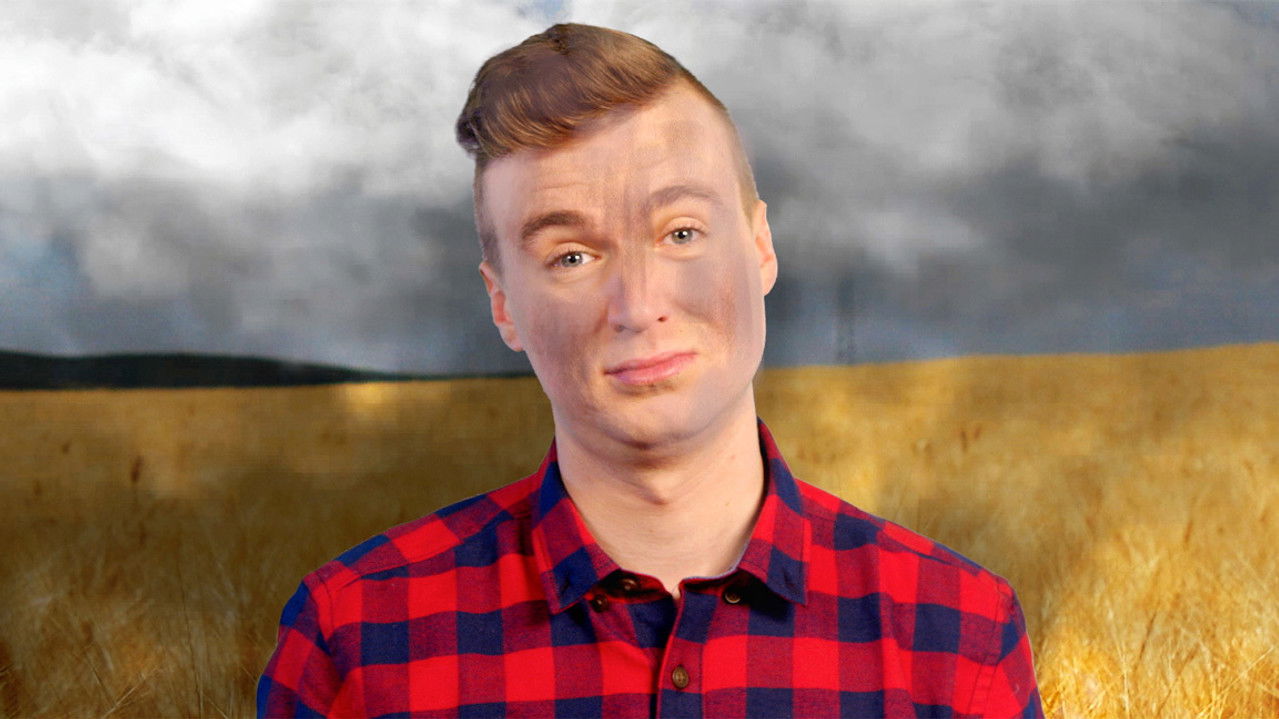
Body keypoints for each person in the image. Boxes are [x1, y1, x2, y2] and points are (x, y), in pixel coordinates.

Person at [258, 22, 1043, 718]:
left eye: (680, 233)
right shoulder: (355, 636)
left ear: (760, 248)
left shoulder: (957, 632)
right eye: (571, 255)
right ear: (503, 305)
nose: (637, 306)